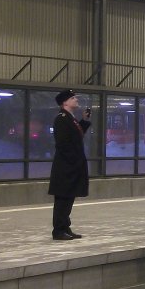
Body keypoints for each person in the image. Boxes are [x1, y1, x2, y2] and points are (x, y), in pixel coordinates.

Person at [48, 89, 91, 240]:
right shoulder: (61, 119)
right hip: (65, 167)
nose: (76, 100)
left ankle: (65, 226)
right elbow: (63, 143)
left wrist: (84, 121)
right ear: (65, 102)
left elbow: (76, 136)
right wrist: (74, 160)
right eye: (73, 98)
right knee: (62, 199)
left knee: (69, 198)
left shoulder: (70, 118)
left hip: (71, 166)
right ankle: (58, 230)